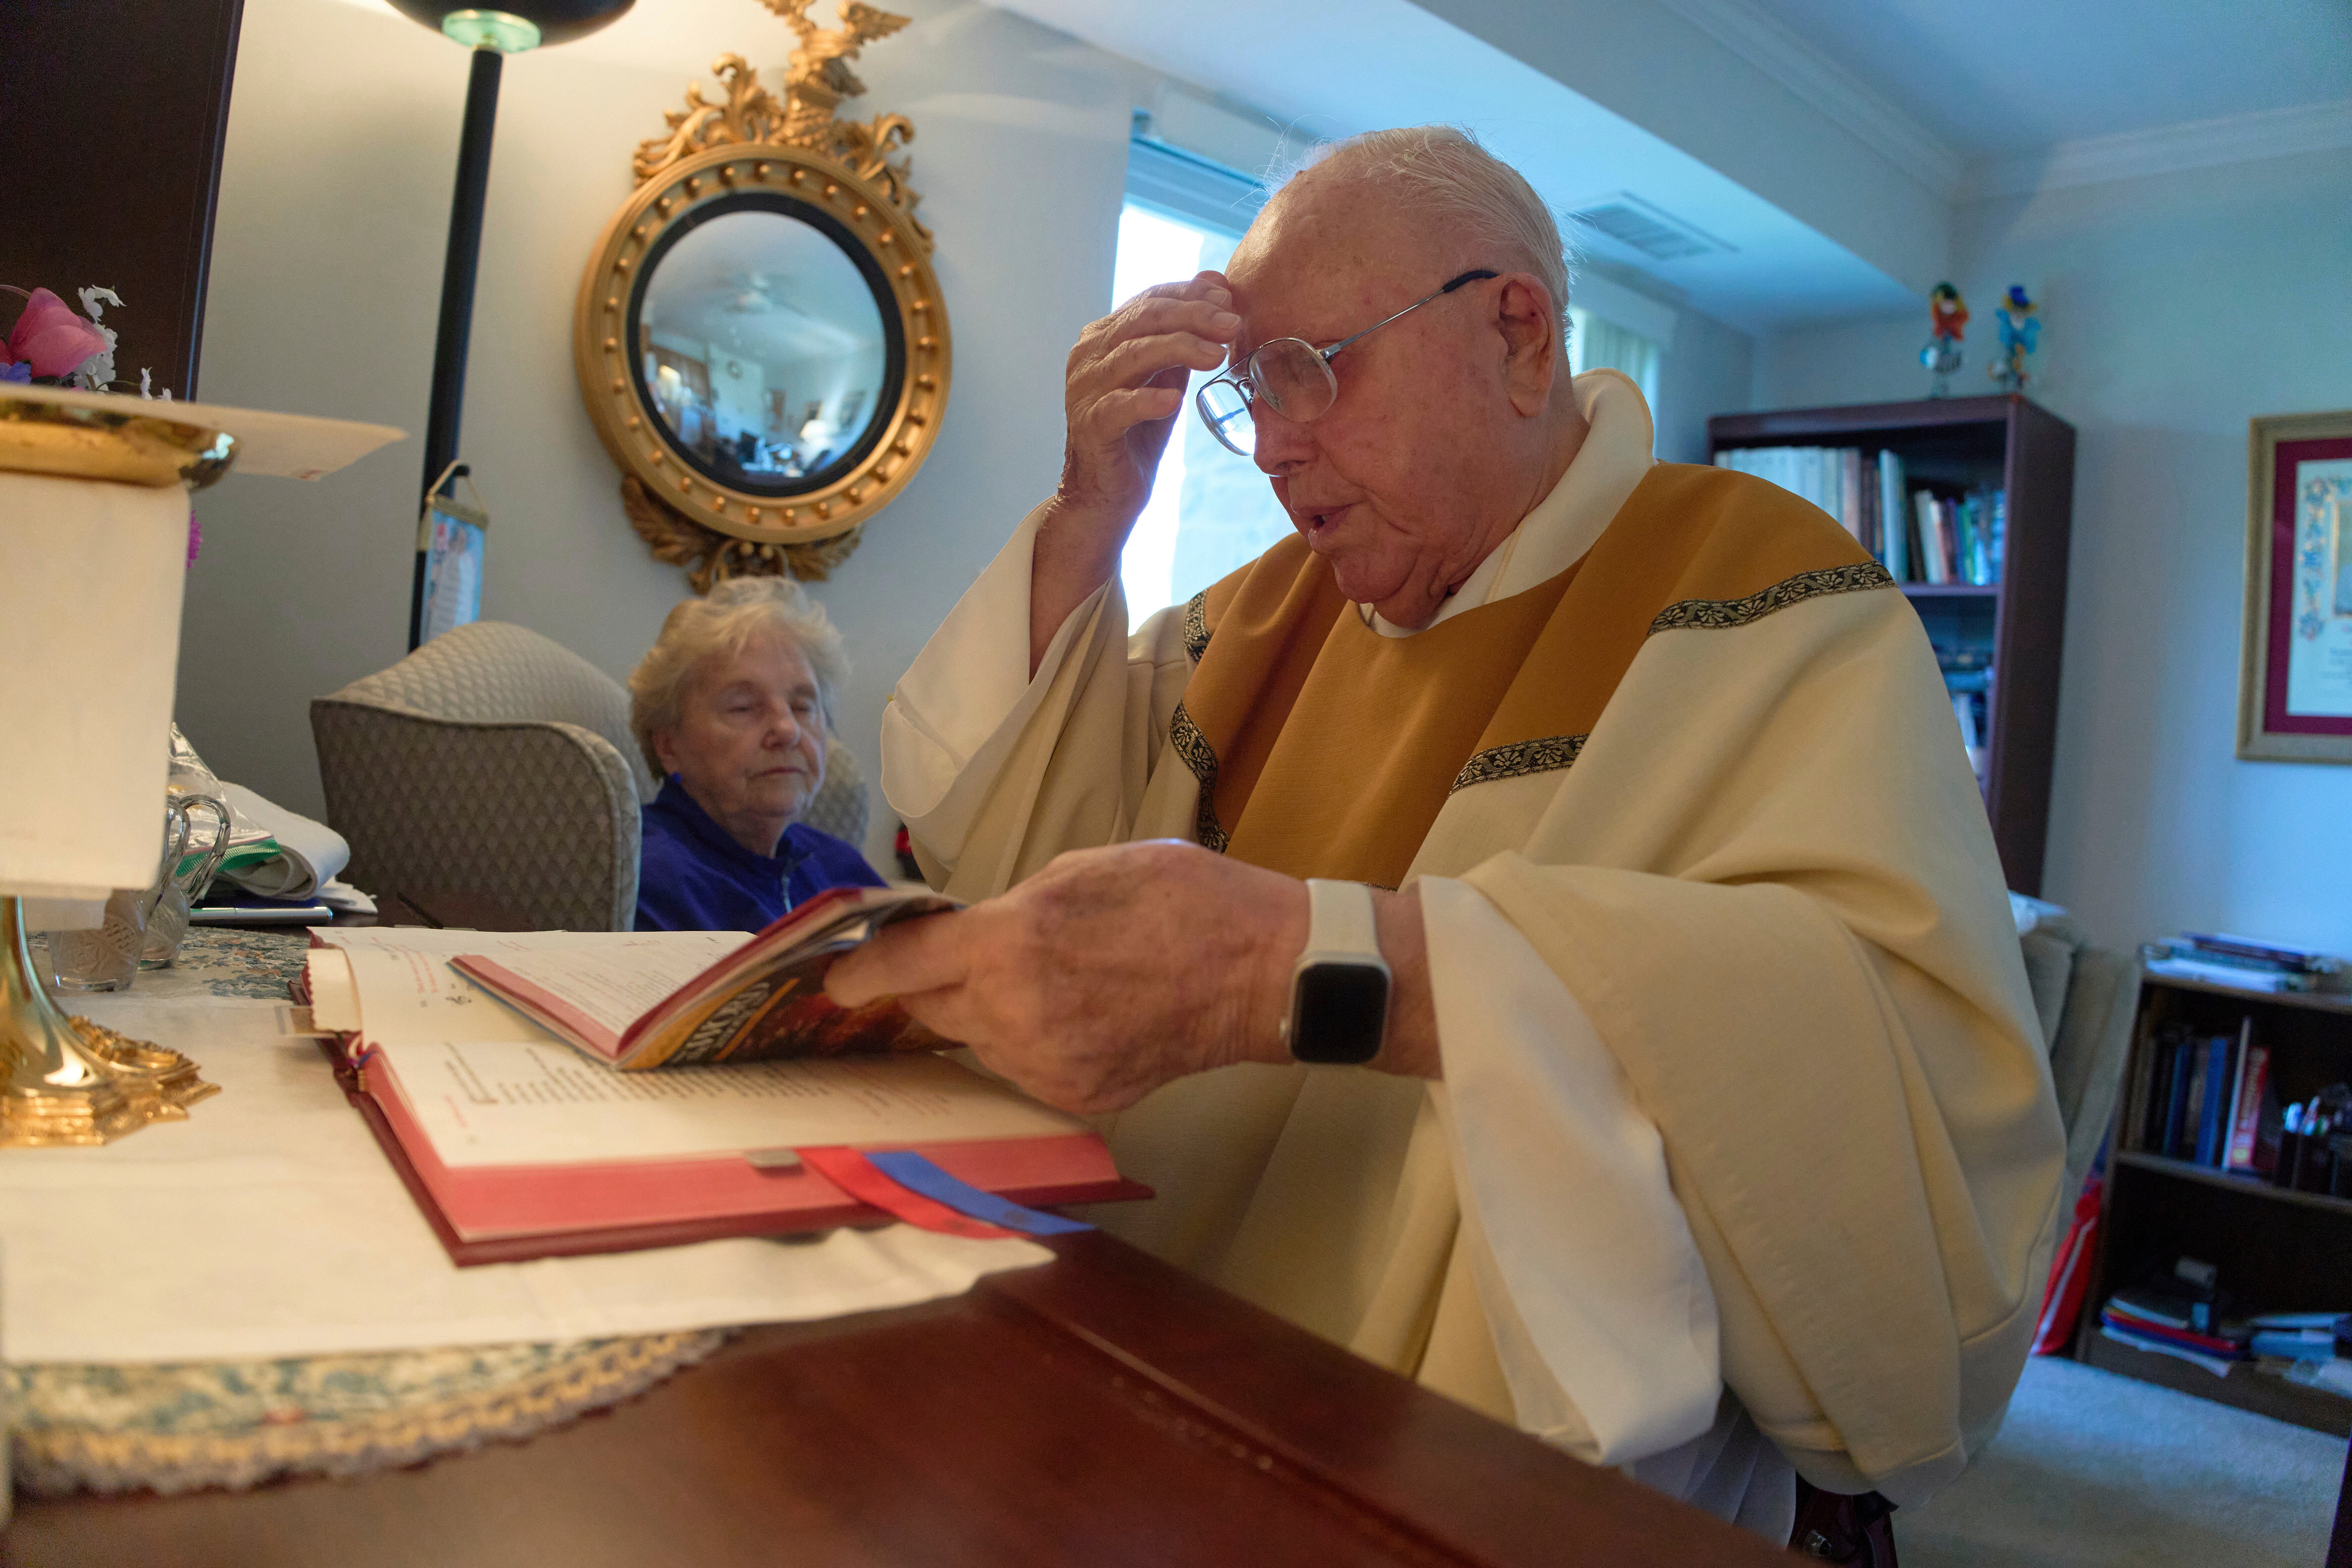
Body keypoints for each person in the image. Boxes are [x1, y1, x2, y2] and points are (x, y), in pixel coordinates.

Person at [828, 126, 2064, 1539]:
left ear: (1519, 335)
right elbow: (996, 845)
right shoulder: (1261, 611)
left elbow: (1895, 1063)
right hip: (1138, 1318)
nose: (1277, 447)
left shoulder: (1774, 604)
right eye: (1246, 396)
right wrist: (1088, 523)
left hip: (1486, 1436)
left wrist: (1333, 966)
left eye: (1310, 371)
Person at [628, 576, 883, 932]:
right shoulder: (647, 878)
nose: (788, 729)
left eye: (803, 705)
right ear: (669, 746)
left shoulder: (838, 867)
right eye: (743, 707)